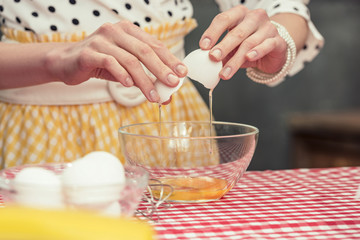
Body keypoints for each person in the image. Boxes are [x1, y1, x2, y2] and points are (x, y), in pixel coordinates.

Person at [0, 0, 324, 169]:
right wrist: (55, 58)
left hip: (173, 124)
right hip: (37, 127)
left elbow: (281, 5)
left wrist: (275, 38)